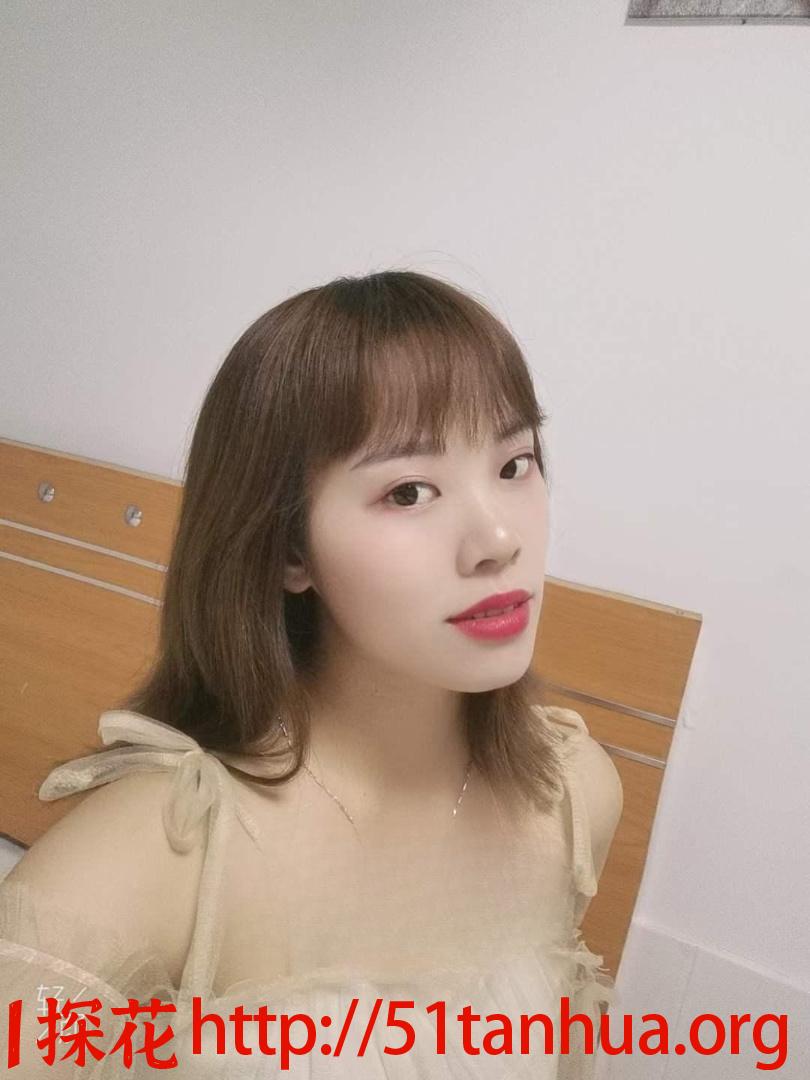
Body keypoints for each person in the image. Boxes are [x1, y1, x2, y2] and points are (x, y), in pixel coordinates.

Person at [0, 269, 623, 1078]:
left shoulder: (573, 794)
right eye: (409, 491)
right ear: (291, 550)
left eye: (515, 464)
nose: (499, 539)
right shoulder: (160, 857)